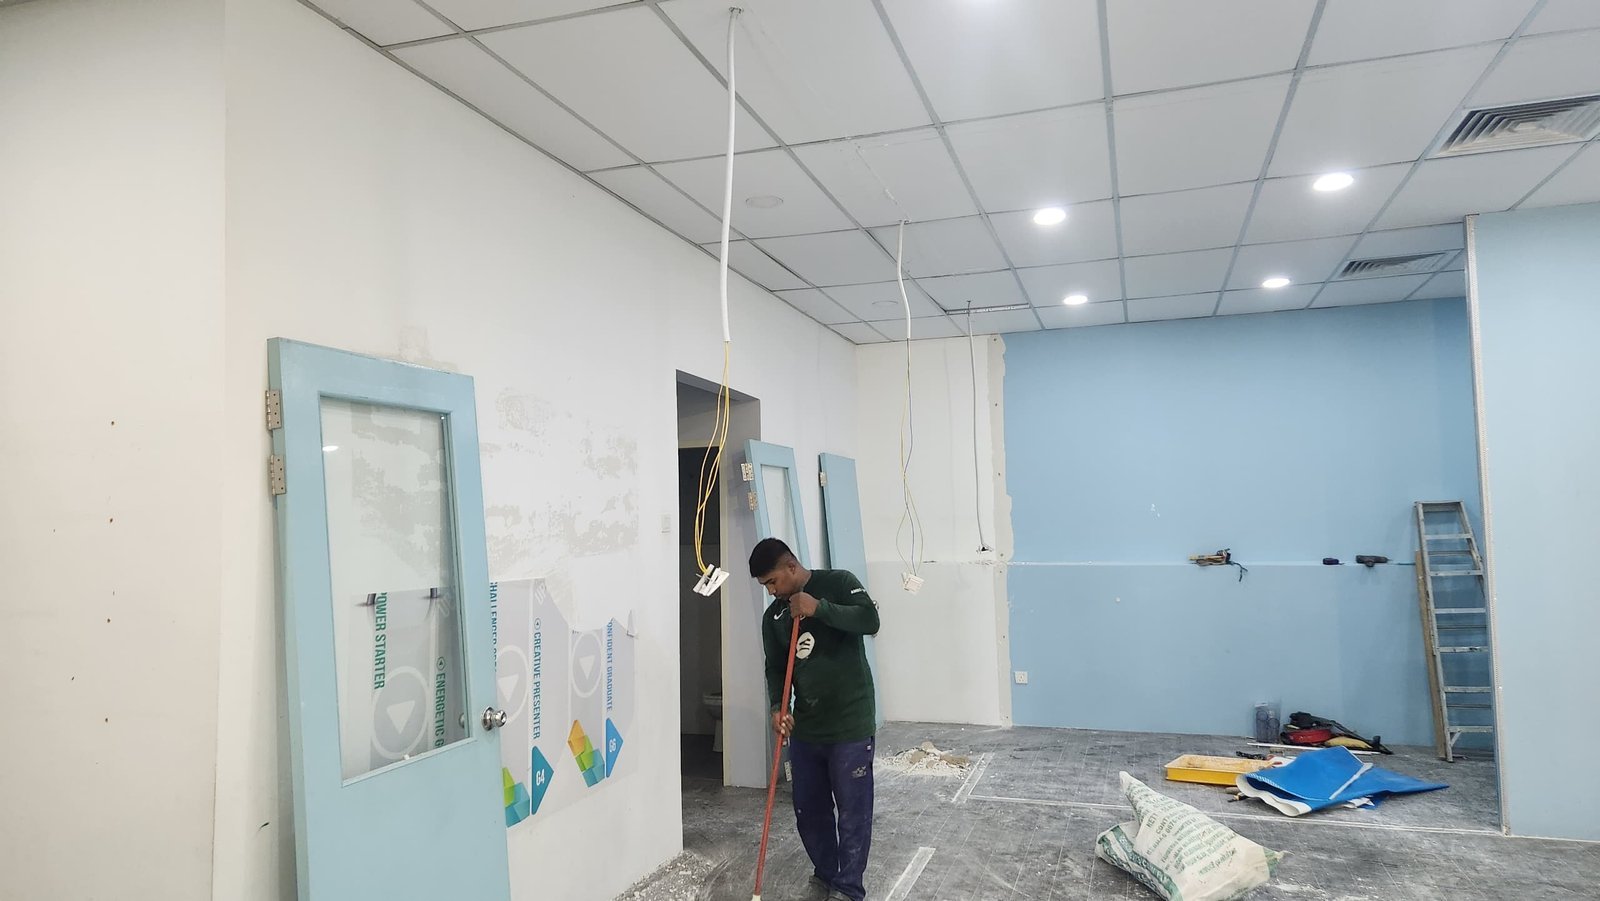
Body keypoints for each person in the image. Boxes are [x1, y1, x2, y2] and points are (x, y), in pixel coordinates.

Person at [749, 537, 880, 901]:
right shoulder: (774, 617)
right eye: (765, 586)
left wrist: (819, 608)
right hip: (807, 730)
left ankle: (848, 888)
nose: (772, 591)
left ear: (791, 567)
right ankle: (826, 875)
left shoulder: (838, 583)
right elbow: (776, 668)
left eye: (773, 581)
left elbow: (869, 620)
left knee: (853, 813)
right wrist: (778, 707)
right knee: (809, 811)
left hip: (850, 725)